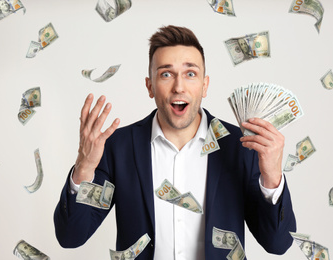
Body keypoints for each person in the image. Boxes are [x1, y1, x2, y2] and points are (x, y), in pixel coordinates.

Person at [54, 25, 296, 259]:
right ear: (150, 86)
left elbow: (277, 244)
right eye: (166, 74)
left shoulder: (242, 147)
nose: (179, 87)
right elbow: (71, 236)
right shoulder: (119, 148)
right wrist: (84, 167)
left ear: (204, 85)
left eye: (190, 73)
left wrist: (273, 178)